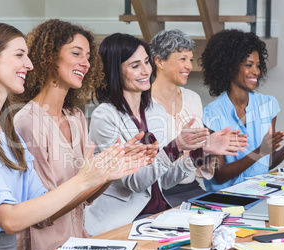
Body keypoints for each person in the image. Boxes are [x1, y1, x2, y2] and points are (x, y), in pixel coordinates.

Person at [0, 22, 144, 250]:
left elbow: (45, 202)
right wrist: (85, 179)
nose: (30, 64)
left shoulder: (6, 131)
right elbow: (9, 219)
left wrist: (104, 172)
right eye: (19, 55)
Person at [12, 19, 150, 250]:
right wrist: (94, 176)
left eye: (88, 56)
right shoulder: (28, 122)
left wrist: (110, 170)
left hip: (78, 243)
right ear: (50, 57)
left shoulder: (75, 117)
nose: (85, 63)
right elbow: (43, 213)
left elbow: (84, 200)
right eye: (76, 53)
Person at [84, 33, 234, 236]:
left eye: (146, 62)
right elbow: (135, 183)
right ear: (115, 71)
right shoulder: (105, 116)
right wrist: (176, 146)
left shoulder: (155, 111)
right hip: (124, 220)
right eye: (135, 65)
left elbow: (163, 180)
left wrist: (201, 150)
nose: (146, 70)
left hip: (157, 214)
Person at [200, 29, 284, 192]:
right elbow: (219, 175)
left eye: (258, 65)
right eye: (249, 65)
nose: (256, 71)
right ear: (230, 66)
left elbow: (265, 162)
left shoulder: (268, 105)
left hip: (258, 194)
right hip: (224, 201)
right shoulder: (212, 114)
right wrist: (258, 152)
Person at [149, 29, 248, 206]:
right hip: (157, 193)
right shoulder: (144, 103)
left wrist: (211, 146)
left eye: (191, 60)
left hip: (192, 186)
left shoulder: (193, 98)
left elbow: (197, 154)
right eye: (182, 59)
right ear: (159, 61)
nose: (189, 66)